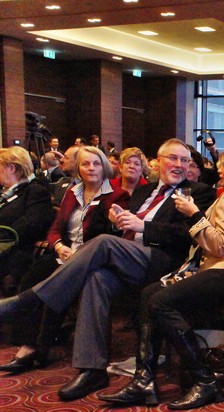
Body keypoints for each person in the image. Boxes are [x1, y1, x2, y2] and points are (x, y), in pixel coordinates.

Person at [0, 138, 215, 401]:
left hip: (162, 261)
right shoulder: (142, 192)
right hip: (128, 257)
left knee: (102, 243)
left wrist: (143, 227)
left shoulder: (199, 192)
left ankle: (30, 299)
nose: (179, 165)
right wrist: (117, 222)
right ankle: (92, 369)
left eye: (185, 160)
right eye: (173, 158)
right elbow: (122, 228)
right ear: (158, 162)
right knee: (96, 279)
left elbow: (187, 235)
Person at [99, 147, 224, 409]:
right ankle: (143, 379)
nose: (218, 169)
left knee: (160, 302)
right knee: (149, 293)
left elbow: (219, 245)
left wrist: (194, 214)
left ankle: (204, 379)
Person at [0, 147, 128, 374]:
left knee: (57, 286)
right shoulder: (72, 193)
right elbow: (55, 229)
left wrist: (113, 224)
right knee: (33, 276)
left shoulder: (117, 195)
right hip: (65, 254)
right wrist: (59, 246)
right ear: (78, 168)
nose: (91, 168)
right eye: (86, 164)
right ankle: (27, 344)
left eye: (96, 163)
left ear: (104, 167)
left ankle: (37, 349)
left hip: (92, 259)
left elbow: (112, 237)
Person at [0, 147, 55, 294]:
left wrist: (4, 234)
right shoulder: (6, 193)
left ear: (11, 168)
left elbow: (32, 224)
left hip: (17, 253)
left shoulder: (35, 191)